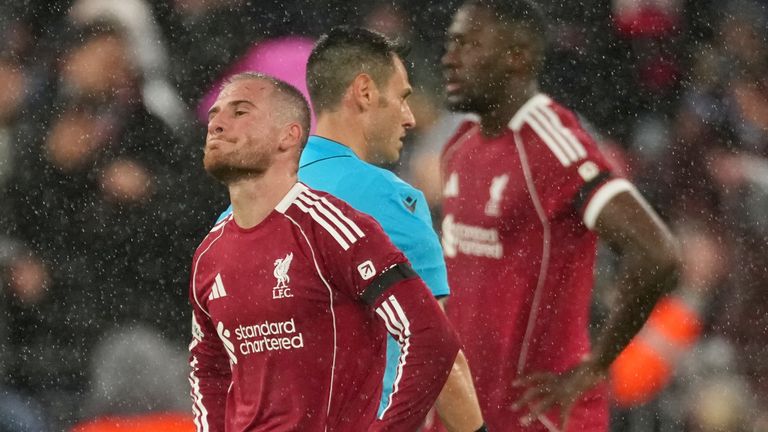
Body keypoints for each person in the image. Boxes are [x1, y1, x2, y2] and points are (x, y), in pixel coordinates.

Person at [215, 27, 487, 432]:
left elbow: (221, 366)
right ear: (364, 92)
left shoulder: (231, 216)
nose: (410, 118)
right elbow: (439, 359)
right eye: (402, 98)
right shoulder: (390, 202)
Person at [438, 1, 680, 431]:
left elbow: (657, 253)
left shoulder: (551, 141)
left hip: (541, 416)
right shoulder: (460, 146)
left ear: (518, 57)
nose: (449, 58)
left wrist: (595, 365)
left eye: (469, 45)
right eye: (450, 43)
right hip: (468, 415)